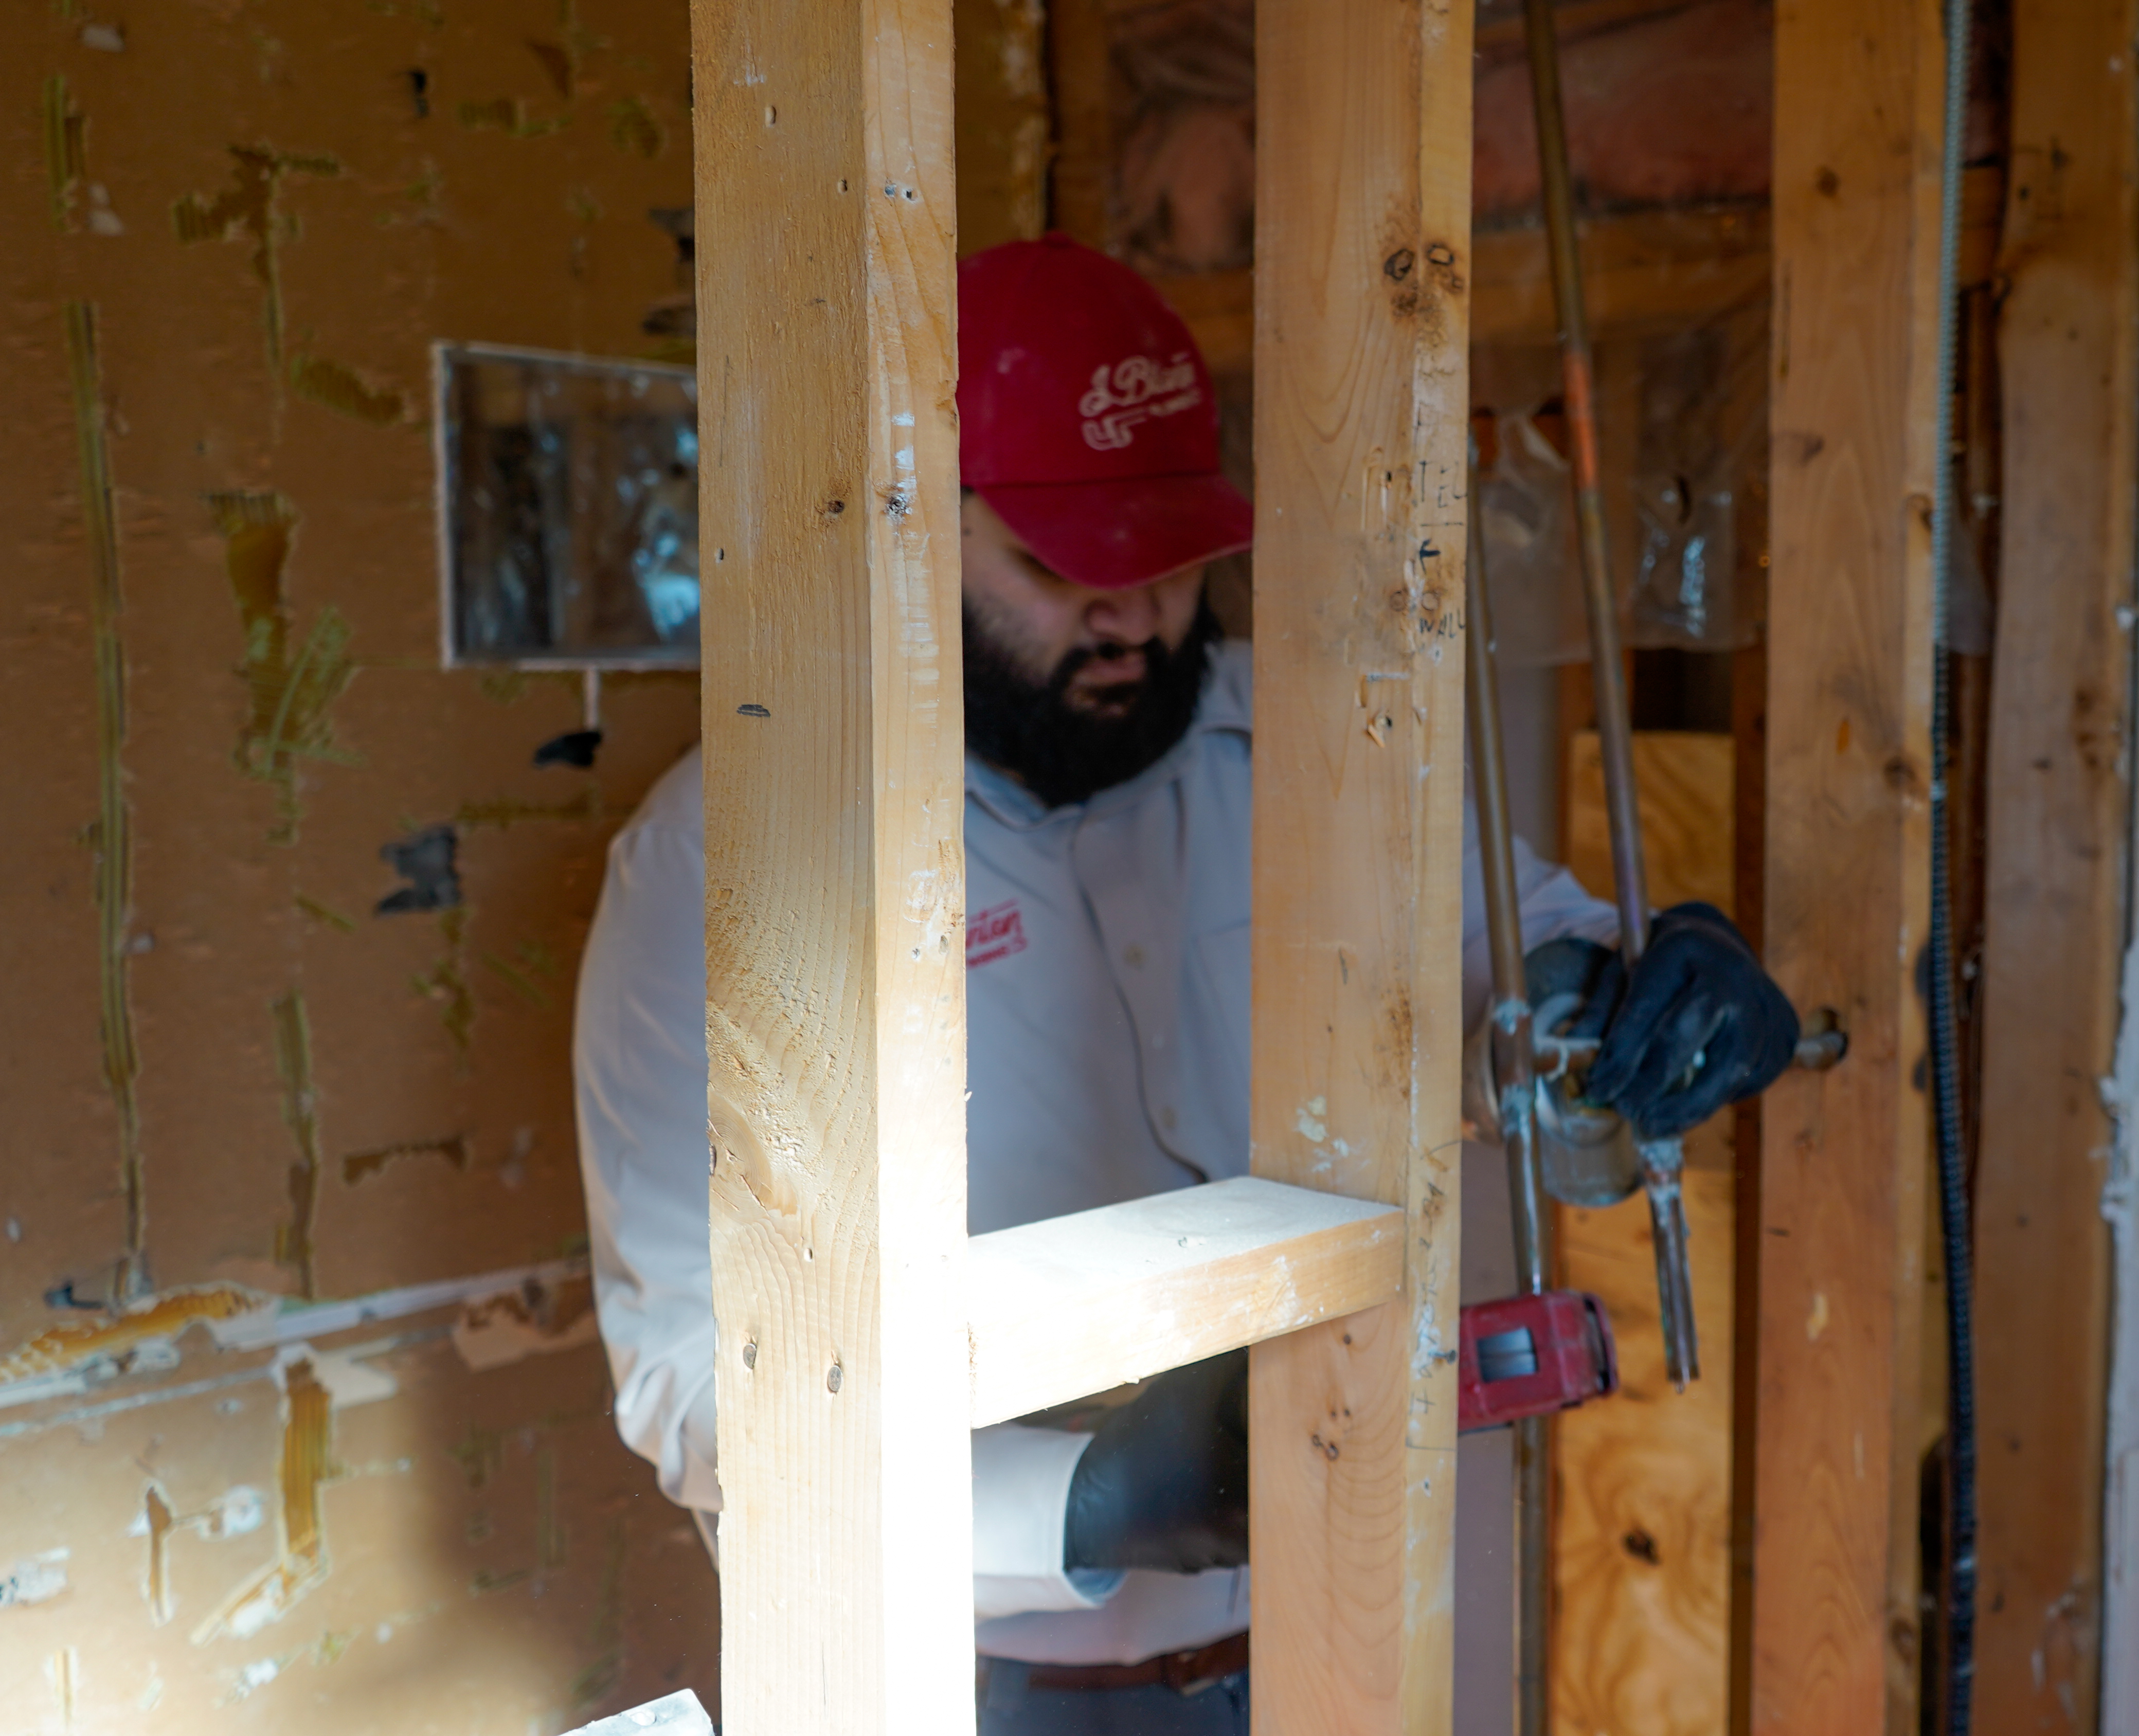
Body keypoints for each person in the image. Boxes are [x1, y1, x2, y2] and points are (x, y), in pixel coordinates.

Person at [572, 235, 1799, 1735]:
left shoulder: (1313, 745)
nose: (1138, 618)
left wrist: (1635, 989)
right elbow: (691, 1381)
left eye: (1171, 559)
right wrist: (1084, 1502)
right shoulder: (734, 868)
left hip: (1332, 1638)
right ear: (902, 536)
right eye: (1058, 568)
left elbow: (1513, 959)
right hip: (969, 1686)